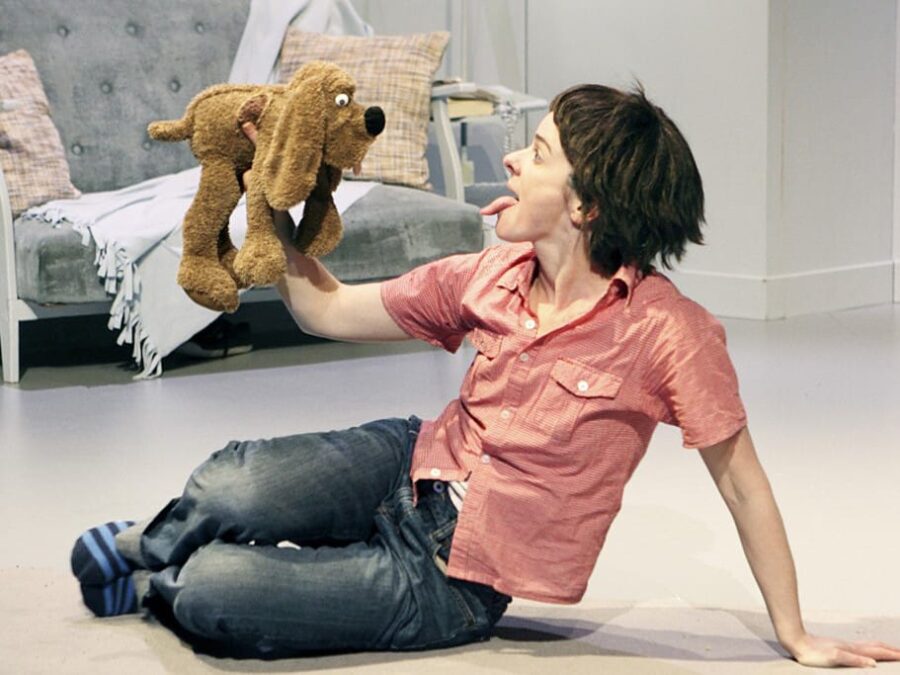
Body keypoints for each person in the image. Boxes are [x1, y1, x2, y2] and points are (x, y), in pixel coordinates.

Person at [71, 83, 900, 667]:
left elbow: (744, 484)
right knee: (231, 484)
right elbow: (328, 309)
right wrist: (269, 206)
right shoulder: (490, 274)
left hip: (450, 580)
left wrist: (796, 632)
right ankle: (148, 542)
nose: (510, 159)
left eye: (537, 153)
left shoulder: (668, 332)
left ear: (585, 206)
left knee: (216, 594)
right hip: (406, 463)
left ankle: (161, 580)